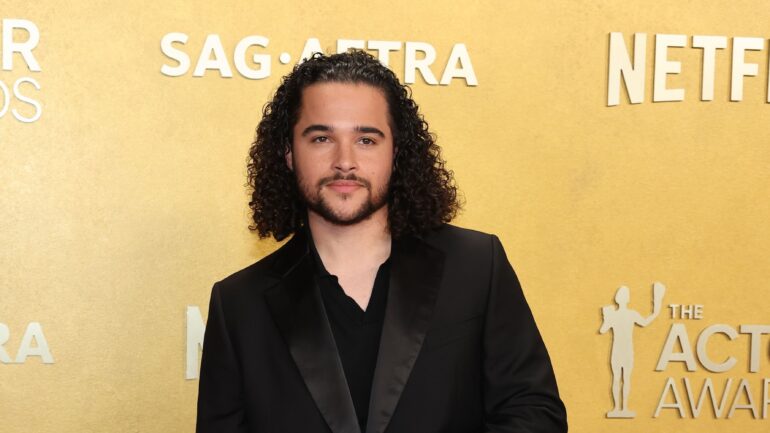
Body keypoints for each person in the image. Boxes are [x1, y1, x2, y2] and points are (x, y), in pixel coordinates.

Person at [196, 50, 567, 433]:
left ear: (396, 152)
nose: (345, 161)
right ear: (289, 154)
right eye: (322, 137)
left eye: (367, 140)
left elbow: (534, 413)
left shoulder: (476, 267)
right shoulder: (239, 304)